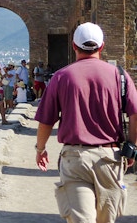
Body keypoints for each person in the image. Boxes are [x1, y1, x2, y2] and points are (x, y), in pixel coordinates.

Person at [35, 22, 137, 223]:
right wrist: (132, 145)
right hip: (110, 156)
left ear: (74, 46)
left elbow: (46, 121)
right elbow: (135, 114)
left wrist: (40, 149)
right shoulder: (120, 76)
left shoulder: (61, 77)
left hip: (76, 157)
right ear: (101, 46)